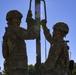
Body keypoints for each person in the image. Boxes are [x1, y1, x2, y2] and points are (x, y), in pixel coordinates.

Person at [2, 10, 39, 75]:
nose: (19, 21)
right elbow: (32, 34)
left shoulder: (7, 32)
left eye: (19, 19)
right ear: (10, 20)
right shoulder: (14, 29)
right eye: (17, 19)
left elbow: (5, 54)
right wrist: (31, 22)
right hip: (18, 68)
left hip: (11, 68)